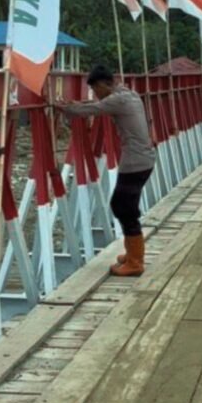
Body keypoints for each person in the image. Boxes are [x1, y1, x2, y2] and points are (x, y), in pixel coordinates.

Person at [58, 64, 156, 277]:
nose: (95, 94)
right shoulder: (128, 94)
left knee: (123, 207)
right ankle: (132, 254)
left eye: (95, 89)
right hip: (144, 159)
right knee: (125, 206)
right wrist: (78, 104)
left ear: (104, 84)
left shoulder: (118, 100)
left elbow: (92, 110)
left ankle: (136, 261)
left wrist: (64, 107)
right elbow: (99, 105)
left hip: (135, 162)